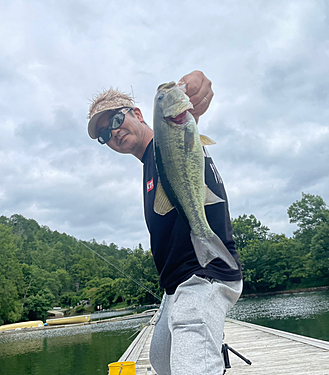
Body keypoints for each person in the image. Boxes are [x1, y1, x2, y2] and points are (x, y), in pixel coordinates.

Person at [87, 71, 243, 375]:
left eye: (116, 121)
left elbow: (191, 104)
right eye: (104, 135)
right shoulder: (148, 165)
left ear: (138, 114)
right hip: (175, 287)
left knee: (191, 362)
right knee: (161, 359)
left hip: (204, 273)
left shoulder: (168, 141)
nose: (113, 134)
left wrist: (192, 90)